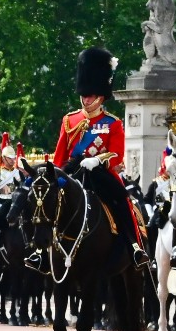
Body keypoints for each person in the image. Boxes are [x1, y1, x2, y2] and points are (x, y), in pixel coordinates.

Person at [55, 46, 145, 269]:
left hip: (100, 175)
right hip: (72, 174)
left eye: (91, 96)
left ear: (101, 96)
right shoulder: (70, 120)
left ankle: (134, 246)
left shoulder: (112, 123)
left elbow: (117, 155)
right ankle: (40, 251)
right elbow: (60, 156)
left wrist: (98, 160)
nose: (86, 100)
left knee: (122, 202)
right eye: (84, 95)